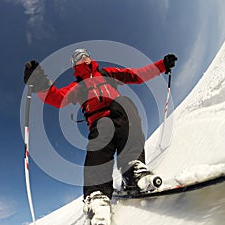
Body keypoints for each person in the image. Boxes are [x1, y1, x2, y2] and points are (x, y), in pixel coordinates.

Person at [23, 49, 177, 224]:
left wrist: (162, 66)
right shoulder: (78, 86)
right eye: (77, 57)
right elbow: (58, 98)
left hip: (120, 114)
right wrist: (40, 82)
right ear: (74, 64)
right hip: (99, 120)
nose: (83, 57)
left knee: (125, 105)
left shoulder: (106, 73)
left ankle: (133, 171)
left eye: (85, 54)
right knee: (99, 146)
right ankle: (97, 194)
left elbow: (135, 75)